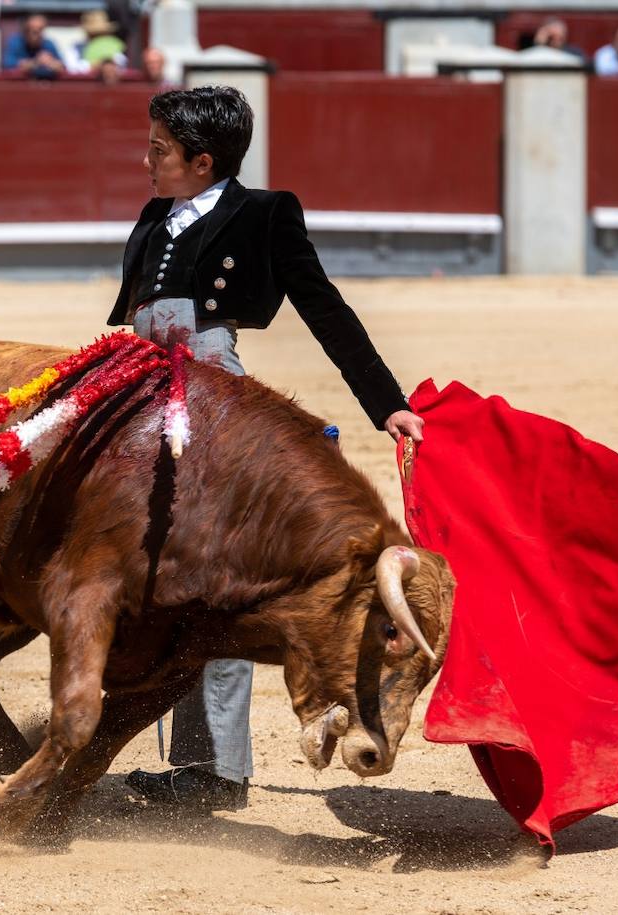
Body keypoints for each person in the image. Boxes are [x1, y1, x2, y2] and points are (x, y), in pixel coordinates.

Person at [118, 87, 425, 812]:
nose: (146, 160)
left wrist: (386, 402)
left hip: (214, 398)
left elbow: (323, 305)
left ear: (202, 160)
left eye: (159, 150)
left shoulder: (264, 213)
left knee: (214, 575)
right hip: (137, 382)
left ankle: (215, 768)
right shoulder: (157, 214)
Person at [2, 13, 63, 79]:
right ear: (25, 29)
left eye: (40, 30)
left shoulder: (48, 44)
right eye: (33, 30)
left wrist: (51, 63)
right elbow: (7, 64)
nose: (36, 34)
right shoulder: (15, 42)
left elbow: (62, 66)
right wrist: (36, 62)